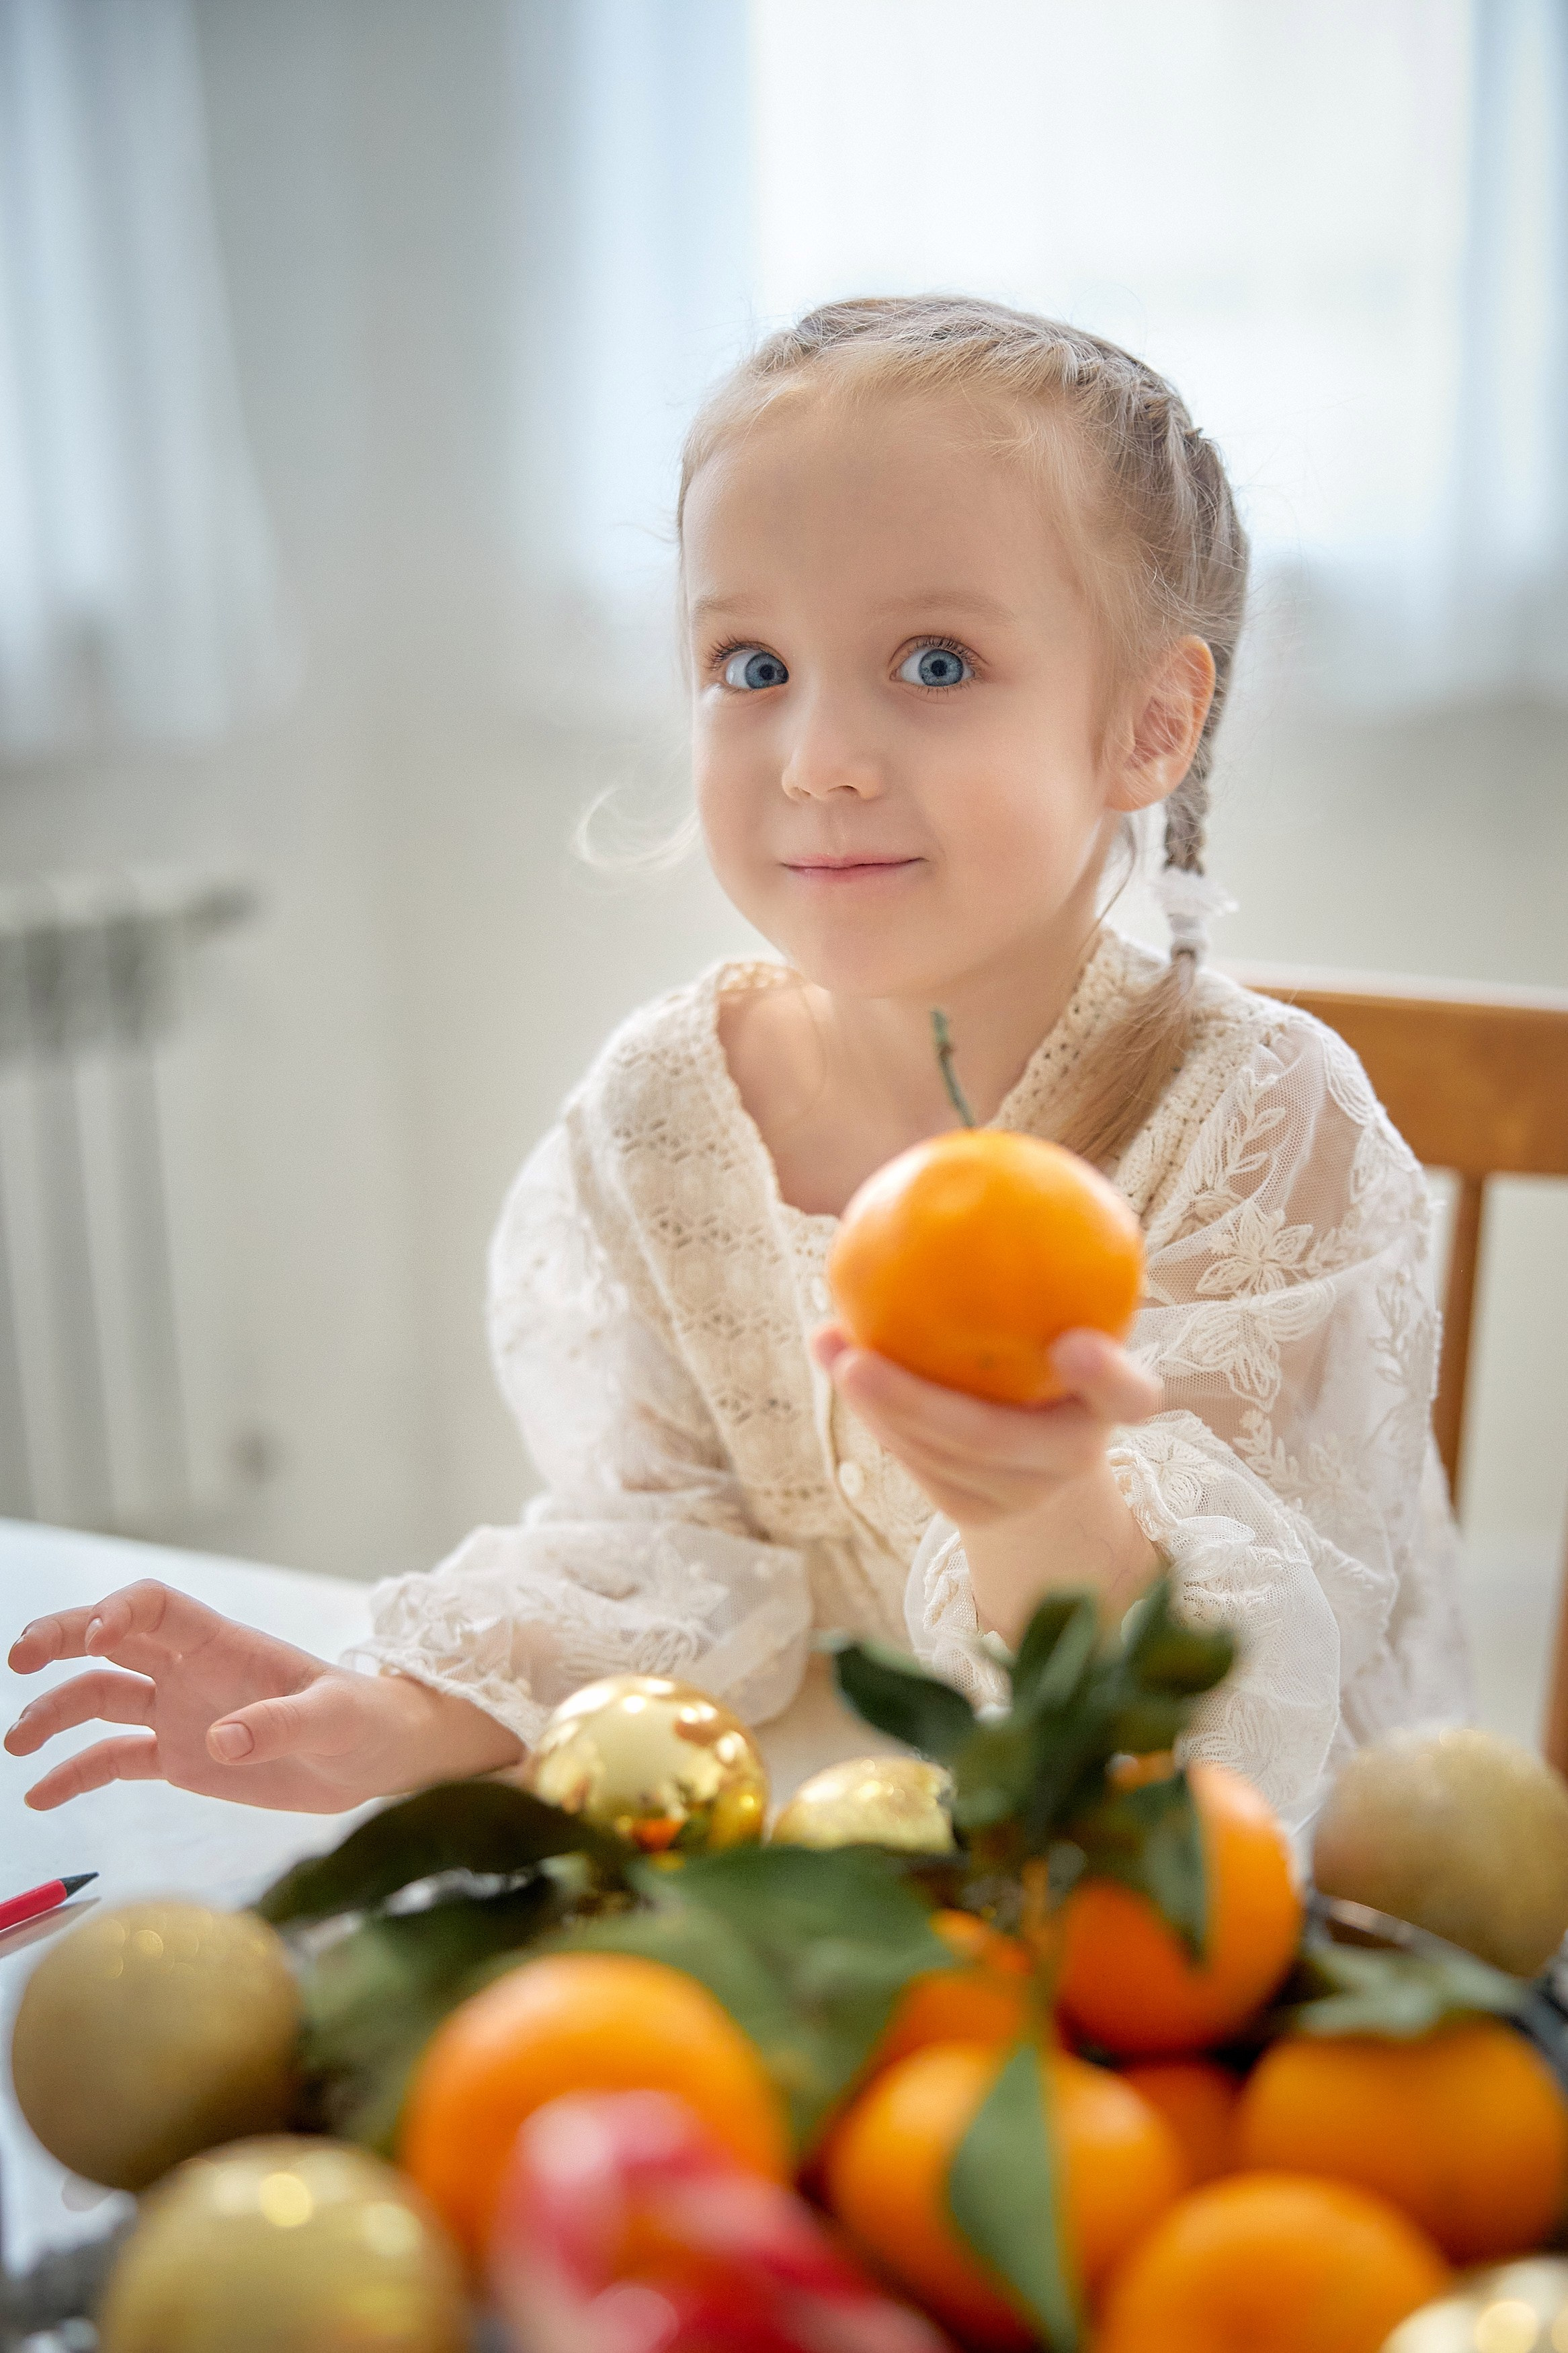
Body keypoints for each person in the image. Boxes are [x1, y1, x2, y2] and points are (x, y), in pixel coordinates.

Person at [6, 296, 1471, 1834]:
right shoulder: (667, 1119)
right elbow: (675, 1548)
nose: (817, 755)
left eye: (934, 659)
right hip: (852, 1854)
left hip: (1238, 1915)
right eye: (753, 662)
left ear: (1151, 725)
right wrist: (396, 1710)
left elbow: (1217, 1746)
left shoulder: (1255, 1124)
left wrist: (1039, 1499)